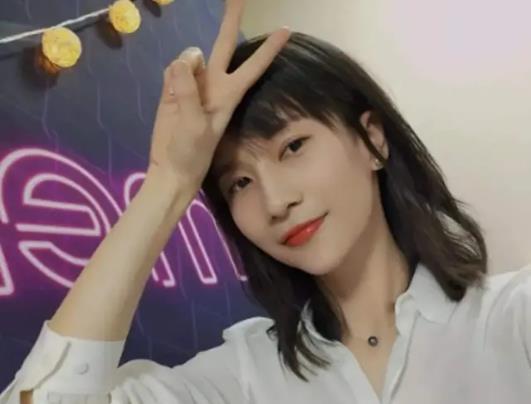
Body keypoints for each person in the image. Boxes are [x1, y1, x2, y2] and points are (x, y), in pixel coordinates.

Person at [2, 0, 531, 402]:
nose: (275, 202)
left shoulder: (509, 320)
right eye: (239, 182)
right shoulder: (245, 373)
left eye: (293, 147)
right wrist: (170, 181)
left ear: (372, 141)